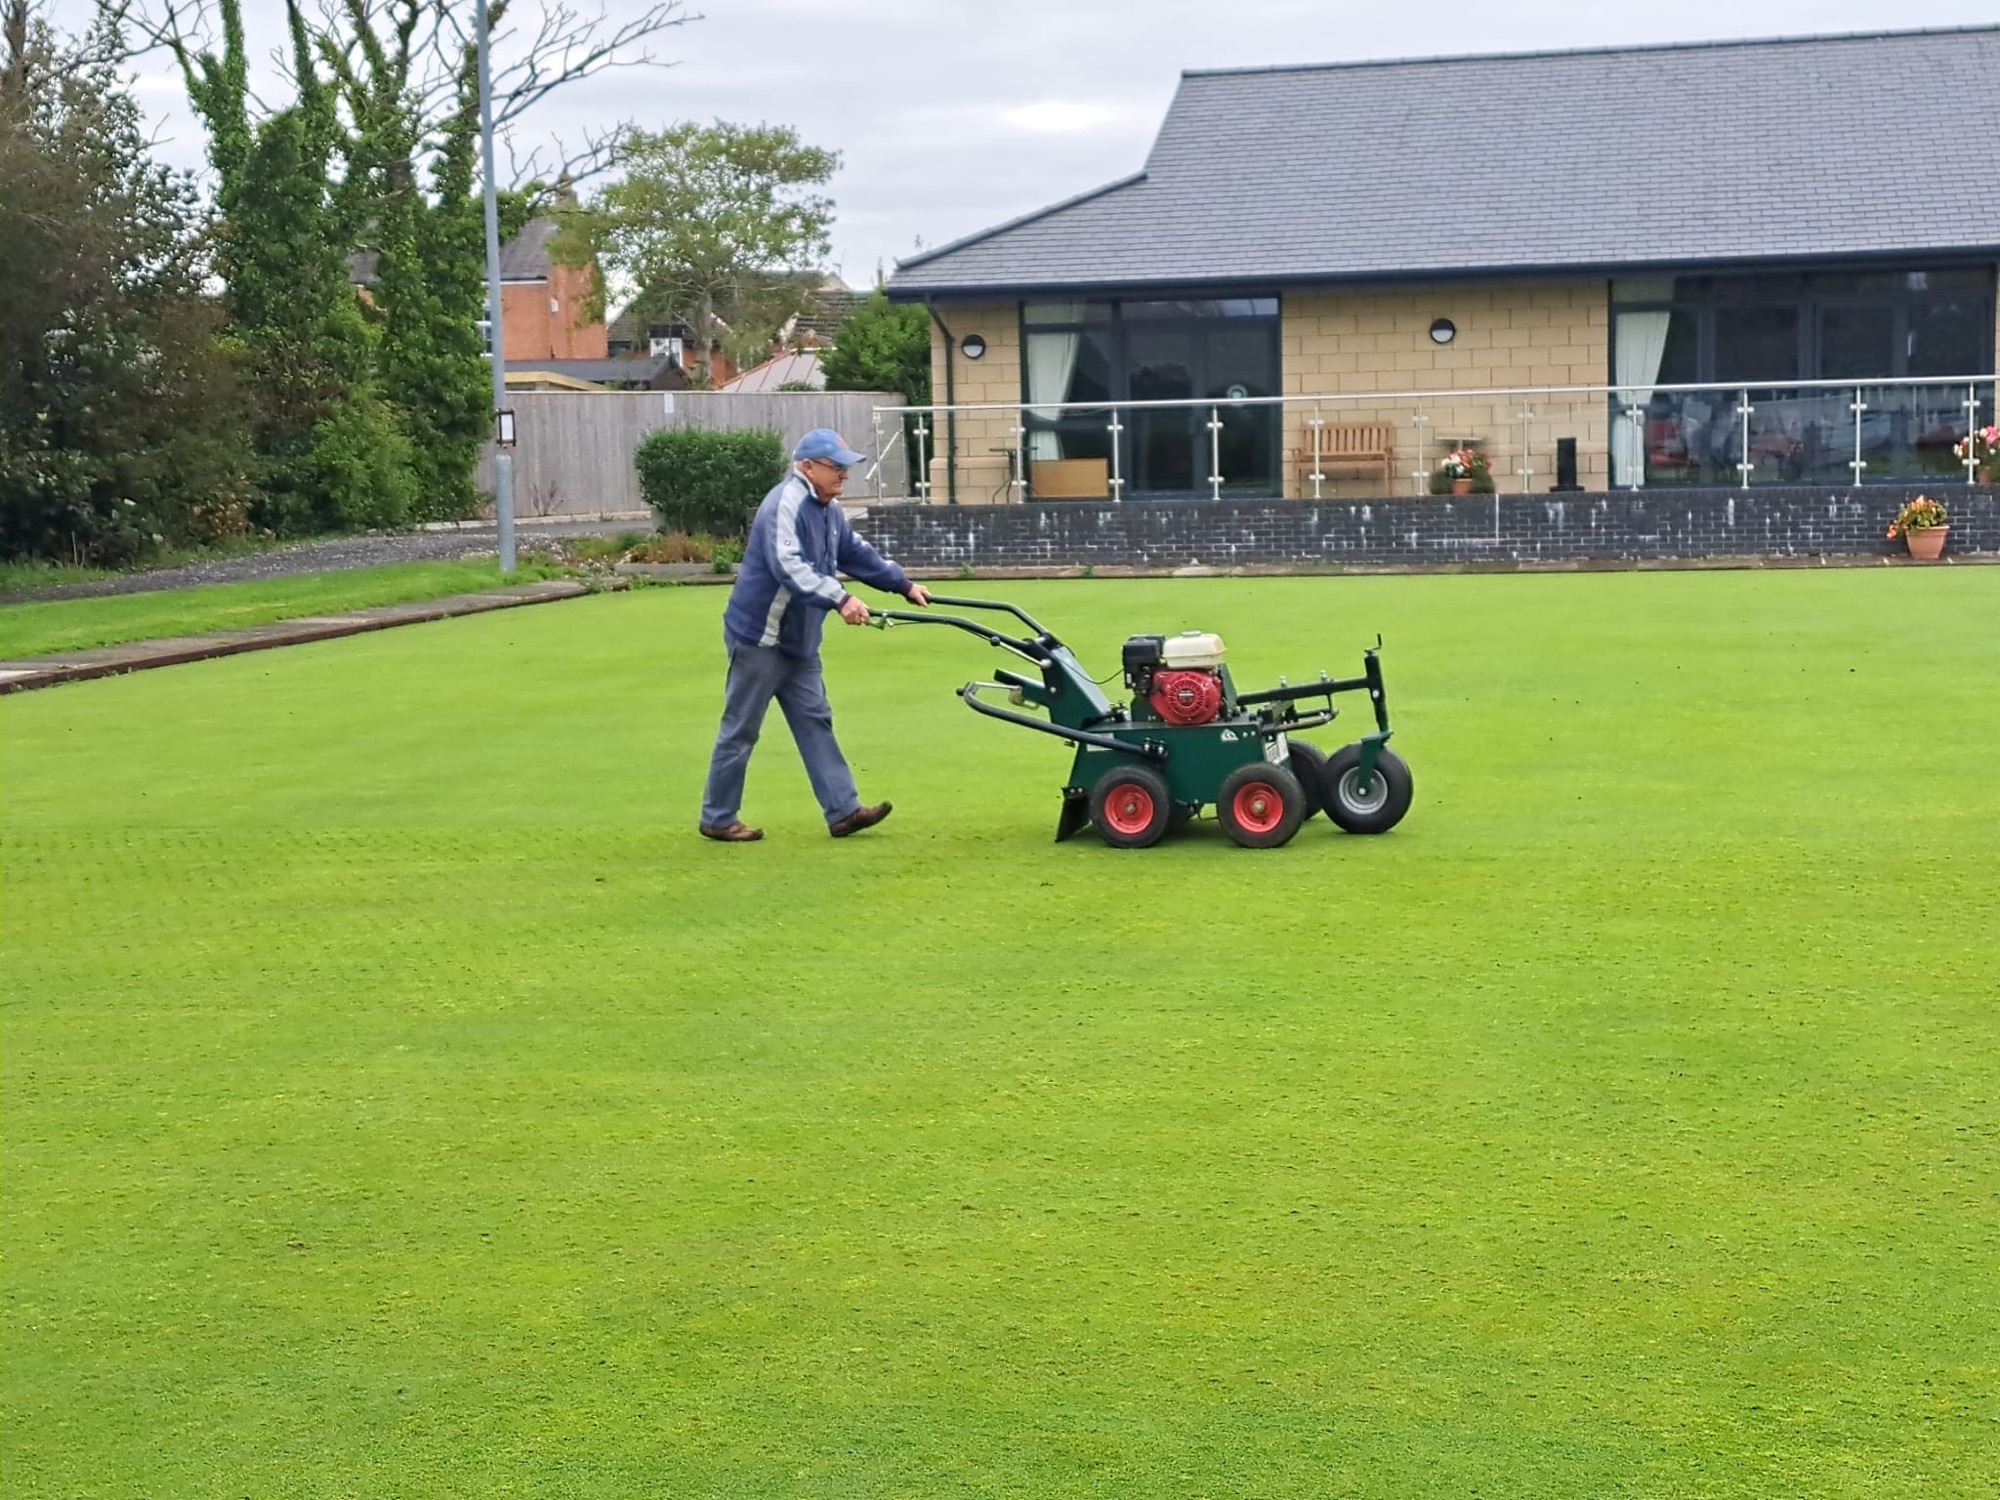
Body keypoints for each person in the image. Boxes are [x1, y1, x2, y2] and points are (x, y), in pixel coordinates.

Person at [698, 428, 932, 843]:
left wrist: (902, 584)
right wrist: (840, 598)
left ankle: (843, 811)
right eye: (835, 467)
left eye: (846, 468)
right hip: (759, 637)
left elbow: (856, 552)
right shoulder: (784, 504)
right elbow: (788, 566)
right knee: (742, 728)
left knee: (815, 720)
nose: (843, 475)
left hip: (800, 641)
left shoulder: (829, 510)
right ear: (807, 467)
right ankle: (718, 818)